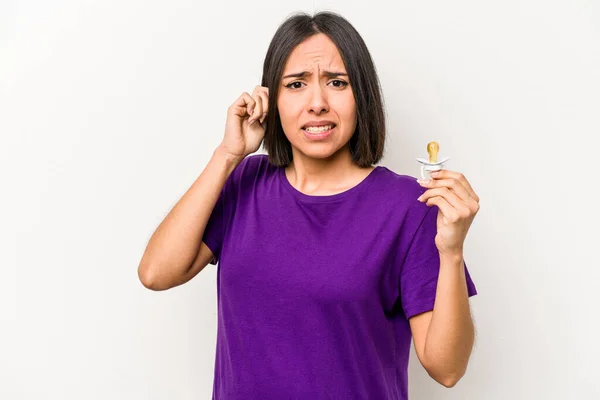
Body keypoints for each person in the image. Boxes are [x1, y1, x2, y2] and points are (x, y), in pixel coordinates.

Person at [138, 11, 480, 400]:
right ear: (271, 99)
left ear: (361, 96)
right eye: (296, 84)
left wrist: (451, 252)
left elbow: (447, 369)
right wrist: (227, 155)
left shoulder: (410, 207)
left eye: (337, 83)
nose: (317, 103)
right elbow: (156, 273)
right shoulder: (244, 182)